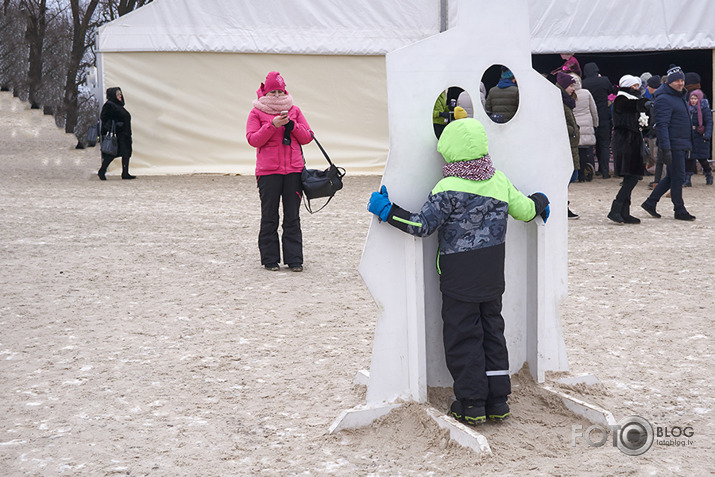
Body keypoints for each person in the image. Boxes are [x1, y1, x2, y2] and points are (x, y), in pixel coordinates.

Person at [366, 118, 549, 425]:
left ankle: (472, 402)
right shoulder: (499, 180)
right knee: (493, 333)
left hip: (459, 279)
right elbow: (527, 211)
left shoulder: (447, 188)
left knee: (463, 337)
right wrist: (541, 201)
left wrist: (388, 211)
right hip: (492, 275)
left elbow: (421, 225)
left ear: (448, 152)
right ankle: (498, 400)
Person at [246, 71, 314, 271]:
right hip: (268, 173)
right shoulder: (256, 112)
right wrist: (272, 125)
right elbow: (252, 139)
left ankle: (295, 260)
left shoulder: (295, 110)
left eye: (279, 91)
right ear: (265, 92)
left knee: (292, 216)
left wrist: (292, 126)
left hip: (293, 171)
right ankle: (270, 259)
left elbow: (308, 137)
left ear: (285, 91)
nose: (276, 95)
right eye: (272, 91)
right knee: (269, 215)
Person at [641, 66, 696, 221]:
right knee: (678, 177)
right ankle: (679, 209)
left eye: (682, 80)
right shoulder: (665, 99)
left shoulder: (679, 96)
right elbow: (662, 125)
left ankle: (650, 202)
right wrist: (666, 148)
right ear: (669, 82)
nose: (680, 83)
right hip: (673, 144)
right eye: (677, 81)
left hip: (681, 142)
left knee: (672, 176)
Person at [608, 75, 649, 224]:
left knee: (631, 177)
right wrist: (644, 103)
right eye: (635, 86)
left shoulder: (629, 99)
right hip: (625, 142)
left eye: (638, 86)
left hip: (632, 141)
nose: (637, 88)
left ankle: (624, 212)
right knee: (631, 177)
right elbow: (631, 106)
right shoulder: (621, 100)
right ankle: (616, 209)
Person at [582, 62, 616, 179]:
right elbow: (611, 90)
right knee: (604, 144)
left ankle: (590, 170)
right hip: (603, 115)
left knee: (590, 145)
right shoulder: (604, 80)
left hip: (590, 117)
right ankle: (605, 172)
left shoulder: (584, 83)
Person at [556, 72, 580, 219]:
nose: (573, 89)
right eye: (571, 86)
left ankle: (563, 206)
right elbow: (558, 123)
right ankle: (562, 206)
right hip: (565, 144)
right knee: (568, 176)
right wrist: (572, 130)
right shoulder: (559, 101)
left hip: (570, 143)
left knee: (571, 175)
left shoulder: (566, 101)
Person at [98, 87, 135, 180]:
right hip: (117, 135)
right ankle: (102, 171)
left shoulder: (119, 106)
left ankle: (125, 173)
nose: (120, 96)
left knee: (126, 153)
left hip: (124, 135)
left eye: (120, 94)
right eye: (118, 94)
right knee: (112, 154)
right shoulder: (109, 105)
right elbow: (104, 118)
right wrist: (117, 125)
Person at [571, 74, 599, 182]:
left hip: (574, 125)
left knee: (575, 152)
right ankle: (582, 175)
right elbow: (594, 110)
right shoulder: (586, 93)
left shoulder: (567, 94)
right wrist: (595, 123)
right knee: (584, 153)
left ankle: (576, 174)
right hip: (586, 125)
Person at [686, 89, 713, 186]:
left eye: (695, 98)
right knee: (689, 158)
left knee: (702, 159)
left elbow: (709, 123)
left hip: (701, 137)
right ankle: (688, 178)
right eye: (692, 98)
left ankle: (708, 173)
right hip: (690, 136)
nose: (693, 101)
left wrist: (707, 134)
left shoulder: (704, 109)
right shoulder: (687, 108)